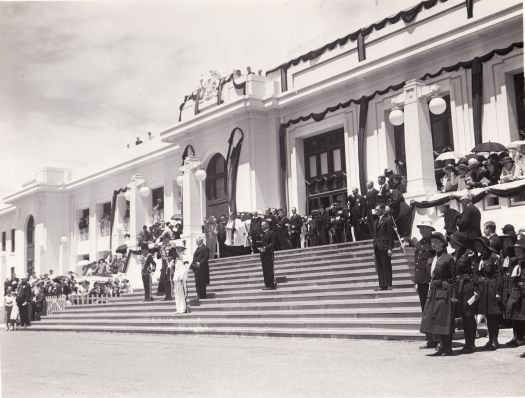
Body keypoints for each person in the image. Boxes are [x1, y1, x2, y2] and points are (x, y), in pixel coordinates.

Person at [420, 232, 456, 356]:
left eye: (435, 242)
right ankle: (440, 345)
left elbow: (453, 278)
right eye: (432, 242)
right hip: (433, 291)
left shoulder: (448, 258)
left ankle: (447, 347)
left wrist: (454, 295)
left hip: (444, 291)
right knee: (433, 318)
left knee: (443, 319)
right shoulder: (432, 258)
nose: (433, 244)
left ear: (442, 244)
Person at [449, 231, 477, 354]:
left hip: (467, 287)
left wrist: (475, 288)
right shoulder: (453, 255)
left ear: (458, 242)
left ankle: (470, 344)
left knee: (468, 315)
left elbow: (475, 272)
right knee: (462, 315)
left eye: (452, 240)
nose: (449, 242)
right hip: (457, 287)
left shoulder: (469, 254)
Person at [473, 237, 503, 350]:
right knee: (486, 315)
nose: (477, 247)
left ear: (485, 245)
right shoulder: (480, 258)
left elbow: (499, 275)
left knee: (493, 316)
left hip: (492, 289)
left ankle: (494, 340)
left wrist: (498, 292)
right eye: (476, 246)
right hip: (482, 289)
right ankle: (490, 340)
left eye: (479, 245)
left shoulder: (494, 257)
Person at [412, 219, 437, 349]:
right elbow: (417, 264)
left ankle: (435, 338)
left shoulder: (434, 242)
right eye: (420, 228)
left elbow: (434, 261)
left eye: (423, 228)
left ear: (429, 229)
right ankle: (429, 339)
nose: (420, 230)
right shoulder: (419, 244)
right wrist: (416, 281)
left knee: (432, 310)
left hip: (430, 280)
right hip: (421, 281)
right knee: (425, 311)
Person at [505, 237, 525, 347]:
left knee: (523, 317)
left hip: (523, 294)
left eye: (519, 251)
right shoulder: (515, 263)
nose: (517, 253)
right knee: (515, 316)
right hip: (515, 293)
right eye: (516, 251)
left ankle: (521, 338)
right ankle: (517, 337)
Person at [372, 204, 395, 291]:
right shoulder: (375, 222)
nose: (376, 211)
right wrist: (374, 248)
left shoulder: (387, 220)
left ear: (382, 210)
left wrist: (390, 248)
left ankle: (389, 284)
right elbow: (375, 236)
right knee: (379, 267)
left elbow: (391, 235)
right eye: (375, 210)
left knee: (387, 266)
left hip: (385, 246)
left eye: (377, 210)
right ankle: (382, 285)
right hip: (377, 247)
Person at [173, 239, 191, 314]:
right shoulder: (177, 257)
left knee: (182, 293)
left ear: (181, 248)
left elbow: (186, 267)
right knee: (176, 293)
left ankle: (183, 308)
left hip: (181, 277)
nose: (177, 249)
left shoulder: (184, 256)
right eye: (176, 248)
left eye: (178, 247)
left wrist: (182, 276)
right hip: (176, 277)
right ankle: (178, 308)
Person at [259, 221, 277, 290]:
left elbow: (273, 244)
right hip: (263, 254)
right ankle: (267, 285)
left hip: (269, 254)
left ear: (267, 225)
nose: (262, 226)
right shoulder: (262, 234)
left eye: (263, 225)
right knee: (265, 270)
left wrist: (265, 248)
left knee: (269, 270)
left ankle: (271, 285)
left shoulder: (271, 233)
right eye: (261, 225)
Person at [191, 235, 210, 299]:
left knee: (202, 282)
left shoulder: (205, 248)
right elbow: (194, 257)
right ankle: (199, 295)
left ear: (201, 241)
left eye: (197, 240)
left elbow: (206, 257)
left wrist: (200, 263)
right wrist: (193, 264)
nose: (196, 242)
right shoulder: (197, 248)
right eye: (196, 241)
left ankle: (203, 296)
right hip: (196, 268)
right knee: (197, 283)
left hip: (202, 268)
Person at [157, 234, 175, 300]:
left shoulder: (172, 246)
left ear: (168, 239)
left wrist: (172, 263)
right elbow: (158, 257)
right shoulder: (162, 247)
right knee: (165, 281)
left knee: (169, 280)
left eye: (165, 239)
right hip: (164, 265)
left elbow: (174, 256)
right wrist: (158, 249)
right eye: (163, 239)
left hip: (169, 264)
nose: (164, 240)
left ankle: (170, 296)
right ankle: (166, 296)